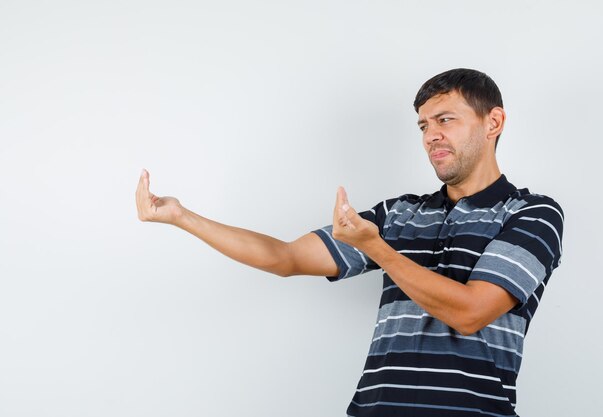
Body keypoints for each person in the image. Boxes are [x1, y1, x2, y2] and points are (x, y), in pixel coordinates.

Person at [135, 68, 564, 417]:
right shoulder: (399, 214)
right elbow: (284, 257)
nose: (431, 135)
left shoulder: (532, 213)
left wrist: (377, 248)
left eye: (445, 119)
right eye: (423, 125)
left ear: (493, 122)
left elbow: (470, 312)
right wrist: (180, 216)